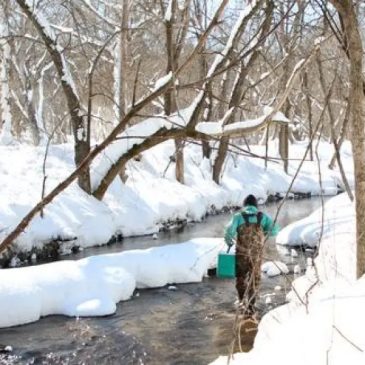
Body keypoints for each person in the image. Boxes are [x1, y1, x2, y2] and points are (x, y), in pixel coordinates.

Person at [224, 194, 280, 316]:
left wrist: (228, 241)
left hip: (242, 253)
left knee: (241, 278)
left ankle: (241, 301)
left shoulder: (238, 217)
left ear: (244, 206)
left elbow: (228, 232)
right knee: (255, 279)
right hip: (257, 254)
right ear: (255, 205)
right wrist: (264, 232)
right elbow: (275, 230)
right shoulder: (262, 217)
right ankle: (251, 305)